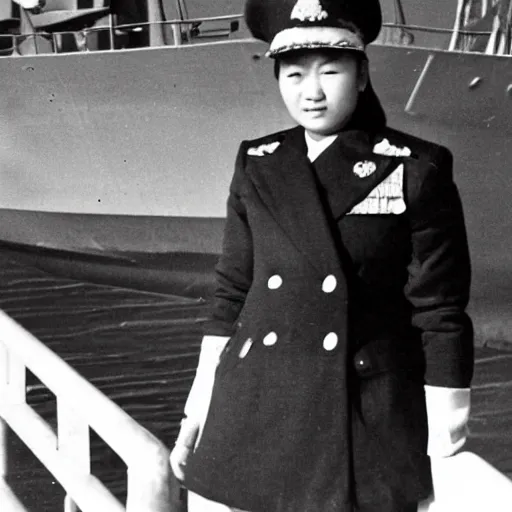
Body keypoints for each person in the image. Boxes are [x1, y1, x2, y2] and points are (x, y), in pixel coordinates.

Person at [170, 0, 474, 511]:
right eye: (293, 74)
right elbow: (231, 295)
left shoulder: (417, 167)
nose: (311, 92)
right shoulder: (258, 161)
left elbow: (439, 310)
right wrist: (196, 412)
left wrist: (444, 440)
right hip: (253, 409)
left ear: (361, 76)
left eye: (330, 71)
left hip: (361, 414)